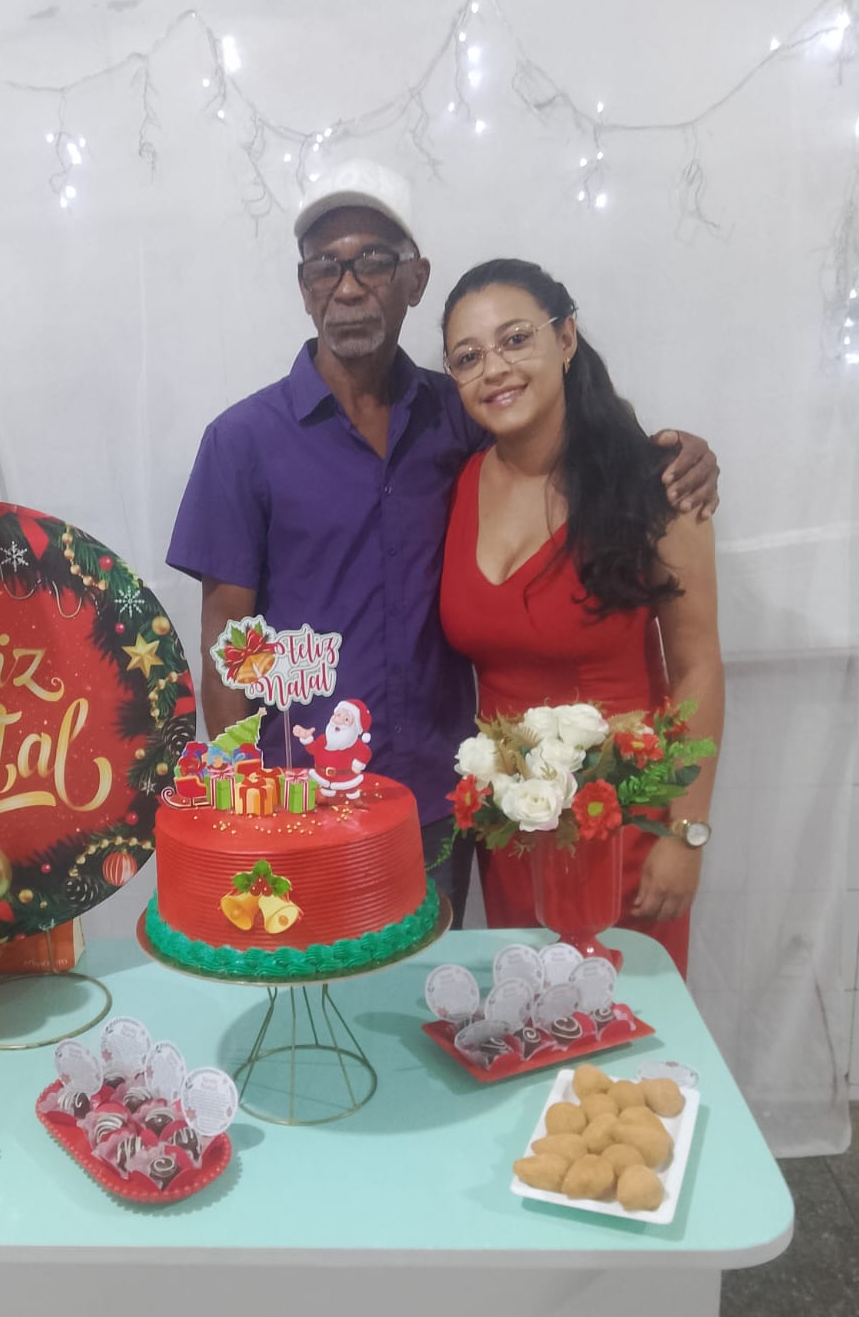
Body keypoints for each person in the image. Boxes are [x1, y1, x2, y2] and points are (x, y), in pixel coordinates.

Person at [166, 159, 720, 921]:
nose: (348, 286)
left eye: (373, 261)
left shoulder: (461, 415)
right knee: (313, 988)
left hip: (445, 803)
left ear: (415, 279)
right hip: (305, 804)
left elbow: (570, 444)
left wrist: (677, 454)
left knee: (438, 989)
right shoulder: (242, 443)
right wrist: (249, 808)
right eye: (325, 265)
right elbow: (224, 645)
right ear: (304, 287)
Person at [438, 258, 724, 974]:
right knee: (531, 1023)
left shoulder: (655, 483)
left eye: (515, 340)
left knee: (627, 1033)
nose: (494, 370)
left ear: (565, 338)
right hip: (512, 831)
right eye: (467, 358)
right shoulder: (461, 481)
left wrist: (686, 833)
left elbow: (698, 667)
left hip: (624, 826)